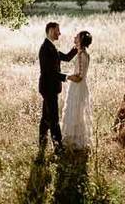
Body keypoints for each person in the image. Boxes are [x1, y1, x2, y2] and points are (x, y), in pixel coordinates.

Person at [38, 22, 77, 153]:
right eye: (57, 30)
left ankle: (42, 142)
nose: (59, 33)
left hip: (50, 88)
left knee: (46, 117)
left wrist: (77, 47)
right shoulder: (45, 49)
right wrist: (68, 77)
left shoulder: (51, 47)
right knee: (54, 118)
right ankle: (58, 147)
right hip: (48, 88)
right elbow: (50, 73)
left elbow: (66, 57)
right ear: (50, 30)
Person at [61, 30, 93, 149]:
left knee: (75, 110)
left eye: (77, 36)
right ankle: (76, 139)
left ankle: (74, 141)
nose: (74, 37)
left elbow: (79, 76)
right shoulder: (84, 53)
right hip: (82, 86)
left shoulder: (81, 55)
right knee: (78, 111)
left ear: (80, 40)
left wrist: (67, 76)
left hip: (78, 86)